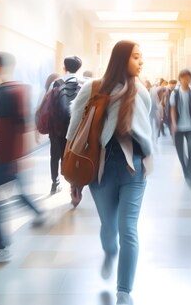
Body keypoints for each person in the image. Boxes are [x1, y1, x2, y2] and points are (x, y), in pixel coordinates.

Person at [67, 41, 152, 305]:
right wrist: (74, 178)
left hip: (133, 168)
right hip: (100, 168)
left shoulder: (142, 92)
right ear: (121, 59)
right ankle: (109, 251)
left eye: (141, 57)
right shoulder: (92, 89)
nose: (141, 62)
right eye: (136, 57)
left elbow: (145, 129)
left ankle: (124, 291)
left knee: (128, 228)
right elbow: (73, 132)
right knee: (109, 226)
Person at [0, 52, 46, 265]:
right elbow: (21, 125)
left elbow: (2, 127)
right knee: (2, 197)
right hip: (12, 155)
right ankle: (3, 243)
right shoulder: (18, 89)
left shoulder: (1, 91)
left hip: (3, 156)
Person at [48, 56, 82, 194]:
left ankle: (55, 183)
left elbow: (48, 105)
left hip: (56, 128)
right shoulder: (83, 84)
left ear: (64, 67)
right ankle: (73, 185)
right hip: (75, 129)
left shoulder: (56, 83)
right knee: (72, 156)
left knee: (55, 156)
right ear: (79, 68)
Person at [170, 69, 191, 189]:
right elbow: (173, 109)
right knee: (180, 152)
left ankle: (190, 174)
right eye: (184, 77)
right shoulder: (175, 93)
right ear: (180, 79)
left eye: (188, 77)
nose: (186, 79)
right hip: (179, 127)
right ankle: (186, 172)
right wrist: (174, 123)